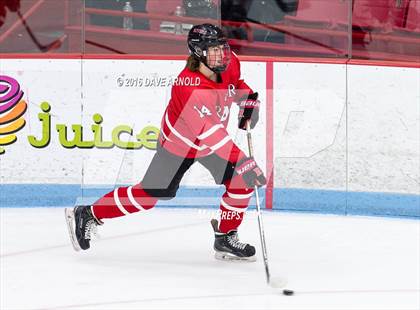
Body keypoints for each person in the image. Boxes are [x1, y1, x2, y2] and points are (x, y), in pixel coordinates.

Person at [65, 23, 266, 261]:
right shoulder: (189, 86)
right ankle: (88, 214)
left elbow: (235, 85)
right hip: (179, 146)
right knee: (149, 196)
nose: (221, 54)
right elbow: (213, 137)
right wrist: (243, 160)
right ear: (198, 52)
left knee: (240, 180)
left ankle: (225, 237)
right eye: (213, 49)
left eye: (223, 47)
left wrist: (247, 100)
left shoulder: (229, 61)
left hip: (209, 141)